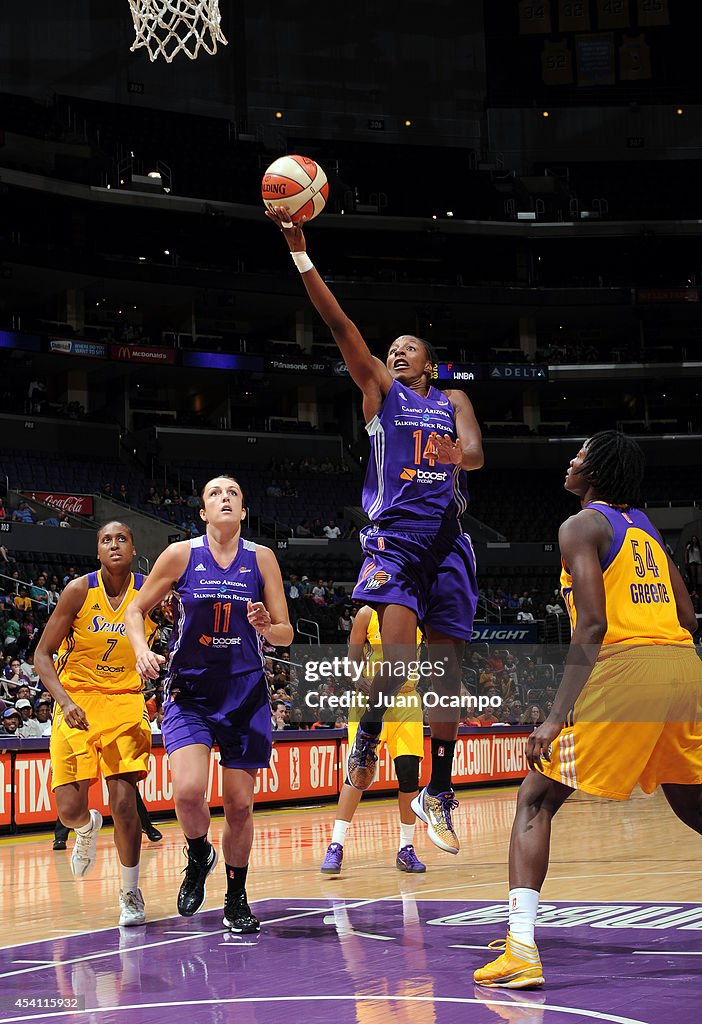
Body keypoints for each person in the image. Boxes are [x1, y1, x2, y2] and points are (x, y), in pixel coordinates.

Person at [268, 206, 483, 854]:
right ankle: (366, 737)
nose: (396, 352)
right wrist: (302, 252)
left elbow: (473, 453)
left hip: (448, 543)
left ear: (430, 364)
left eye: (408, 349)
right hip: (394, 542)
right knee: (394, 666)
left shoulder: (452, 402)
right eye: (392, 350)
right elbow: (339, 324)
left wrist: (454, 455)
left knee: (445, 679)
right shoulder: (379, 393)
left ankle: (436, 792)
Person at [475, 432, 702, 989]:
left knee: (534, 799)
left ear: (595, 471)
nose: (570, 461)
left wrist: (554, 717)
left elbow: (593, 626)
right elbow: (690, 616)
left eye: (580, 454)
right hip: (683, 666)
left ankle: (521, 947)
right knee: (691, 800)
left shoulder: (579, 526)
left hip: (630, 671)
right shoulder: (645, 528)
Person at [125, 475, 293, 934]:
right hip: (190, 692)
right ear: (203, 512)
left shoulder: (263, 559)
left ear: (243, 511)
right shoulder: (181, 554)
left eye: (234, 494)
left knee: (240, 805)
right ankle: (198, 853)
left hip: (244, 693)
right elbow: (136, 610)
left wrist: (265, 625)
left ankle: (236, 897)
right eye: (215, 494)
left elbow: (286, 633)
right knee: (186, 791)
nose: (225, 499)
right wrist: (141, 649)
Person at [34, 522, 157, 927]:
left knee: (125, 804)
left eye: (122, 538)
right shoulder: (77, 591)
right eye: (107, 540)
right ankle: (86, 827)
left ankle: (129, 893)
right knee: (69, 810)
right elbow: (41, 656)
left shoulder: (151, 590)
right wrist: (65, 702)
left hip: (124, 701)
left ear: (133, 547)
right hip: (77, 703)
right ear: (98, 551)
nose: (115, 544)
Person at [320, 605, 426, 875]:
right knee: (356, 774)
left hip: (406, 699)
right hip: (368, 701)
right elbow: (352, 661)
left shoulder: (418, 611)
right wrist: (359, 681)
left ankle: (406, 848)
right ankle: (336, 845)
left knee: (408, 774)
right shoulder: (367, 614)